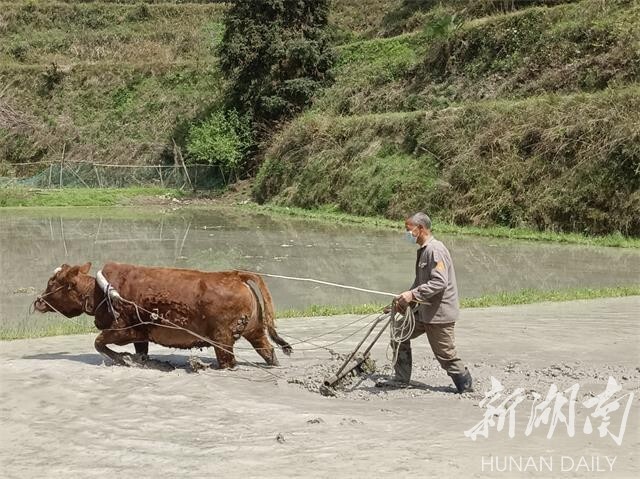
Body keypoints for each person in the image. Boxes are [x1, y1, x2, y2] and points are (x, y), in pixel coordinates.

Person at [378, 212, 473, 393]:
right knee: (399, 333)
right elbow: (419, 285)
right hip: (424, 312)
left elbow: (439, 282)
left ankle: (465, 385)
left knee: (446, 355)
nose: (406, 234)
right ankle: (401, 377)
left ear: (420, 228)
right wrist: (403, 301)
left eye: (408, 230)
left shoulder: (435, 250)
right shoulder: (423, 251)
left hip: (439, 314)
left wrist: (412, 295)